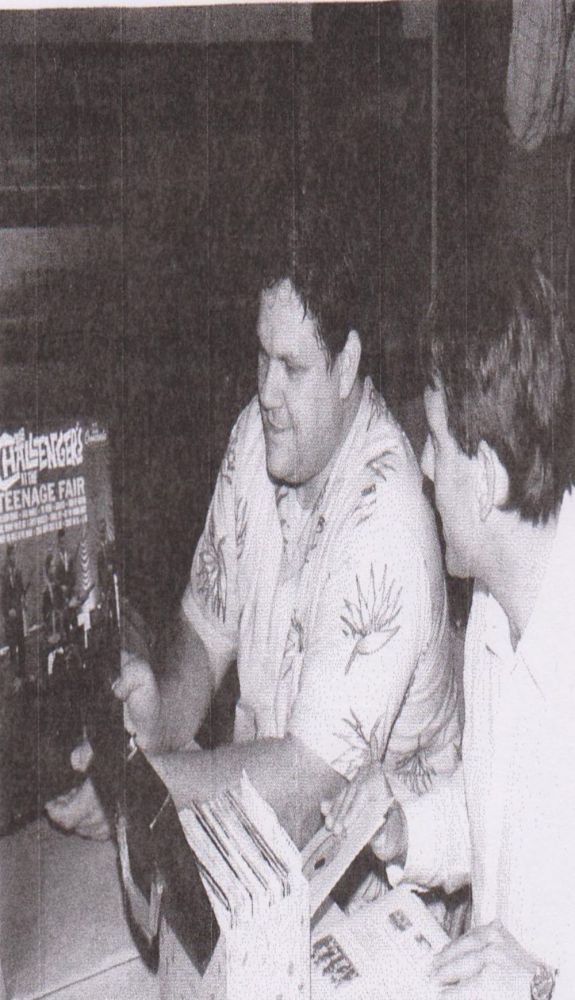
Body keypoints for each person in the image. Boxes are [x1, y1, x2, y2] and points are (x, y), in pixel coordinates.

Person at [47, 223, 459, 858]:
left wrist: (138, 787)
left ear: (347, 364)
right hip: (261, 841)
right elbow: (204, 628)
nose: (267, 392)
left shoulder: (389, 528)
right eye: (263, 356)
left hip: (369, 882)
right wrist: (161, 716)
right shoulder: (258, 436)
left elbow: (308, 794)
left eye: (292, 367)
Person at [323, 254, 575, 998]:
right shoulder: (494, 605)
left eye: (435, 441)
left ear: (489, 477)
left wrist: (546, 983)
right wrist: (404, 830)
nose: (425, 467)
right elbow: (494, 821)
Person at [2, 544, 26, 688]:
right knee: (12, 648)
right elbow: (2, 597)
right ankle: (14, 677)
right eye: (12, 555)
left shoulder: (18, 572)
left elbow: (21, 590)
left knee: (22, 644)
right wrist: (8, 611)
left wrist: (22, 599)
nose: (14, 557)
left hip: (18, 615)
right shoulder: (2, 574)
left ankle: (22, 675)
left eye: (15, 555)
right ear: (8, 556)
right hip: (10, 618)